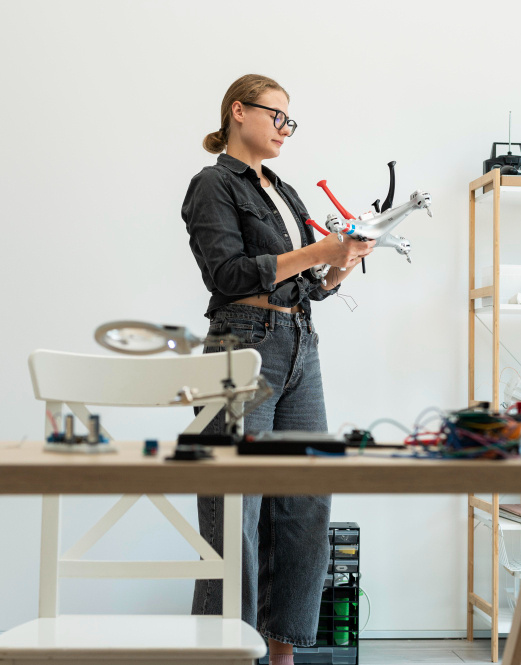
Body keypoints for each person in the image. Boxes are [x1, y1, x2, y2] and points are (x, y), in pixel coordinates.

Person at [181, 74, 375, 664]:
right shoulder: (213, 184)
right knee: (234, 502)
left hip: (298, 342)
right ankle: (227, 651)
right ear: (239, 111)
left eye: (291, 121)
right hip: (242, 342)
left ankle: (283, 652)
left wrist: (339, 265)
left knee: (306, 494)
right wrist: (319, 250)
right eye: (277, 116)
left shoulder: (285, 191)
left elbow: (306, 283)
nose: (285, 129)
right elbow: (228, 274)